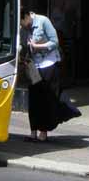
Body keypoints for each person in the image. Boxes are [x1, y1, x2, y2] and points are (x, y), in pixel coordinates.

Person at [20, 8, 62, 142]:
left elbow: (55, 42)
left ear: (27, 16)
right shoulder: (24, 28)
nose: (22, 26)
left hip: (47, 64)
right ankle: (33, 132)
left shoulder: (43, 21)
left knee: (45, 98)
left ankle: (43, 132)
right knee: (33, 98)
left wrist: (38, 46)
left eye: (23, 22)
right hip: (33, 66)